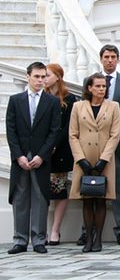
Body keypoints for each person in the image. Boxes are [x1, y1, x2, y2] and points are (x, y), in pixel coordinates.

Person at [78, 44, 120, 247]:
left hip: (119, 146)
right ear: (101, 58)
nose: (110, 60)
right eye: (106, 56)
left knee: (119, 189)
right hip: (92, 147)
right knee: (89, 189)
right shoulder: (90, 81)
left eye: (113, 56)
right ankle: (87, 231)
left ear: (118, 59)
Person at [6, 62, 61, 254]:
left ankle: (38, 239)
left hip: (41, 157)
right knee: (20, 198)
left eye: (43, 76)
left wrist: (41, 155)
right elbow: (10, 131)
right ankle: (20, 240)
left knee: (40, 197)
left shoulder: (52, 102)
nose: (40, 80)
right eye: (36, 76)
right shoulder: (15, 100)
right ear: (28, 76)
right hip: (20, 157)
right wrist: (19, 155)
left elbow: (54, 132)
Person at [68, 73, 120, 252]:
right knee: (87, 200)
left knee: (101, 199)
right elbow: (73, 134)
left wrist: (103, 160)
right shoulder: (77, 106)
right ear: (89, 88)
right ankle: (88, 238)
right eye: (97, 86)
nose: (101, 89)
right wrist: (80, 159)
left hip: (104, 159)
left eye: (104, 86)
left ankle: (98, 239)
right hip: (83, 158)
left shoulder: (114, 106)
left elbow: (115, 135)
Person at [44, 63, 78, 245]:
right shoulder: (42, 96)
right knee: (42, 193)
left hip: (61, 150)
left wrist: (55, 144)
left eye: (47, 75)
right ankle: (41, 230)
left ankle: (55, 230)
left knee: (59, 190)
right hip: (42, 151)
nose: (44, 78)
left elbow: (68, 127)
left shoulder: (69, 98)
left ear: (58, 76)